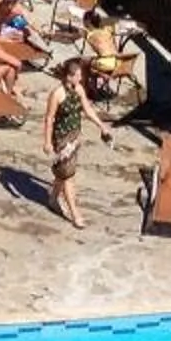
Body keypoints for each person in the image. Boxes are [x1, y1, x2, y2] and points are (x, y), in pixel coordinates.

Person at [38, 59, 116, 230]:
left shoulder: (78, 89)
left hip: (75, 136)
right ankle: (75, 213)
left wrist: (101, 126)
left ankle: (53, 199)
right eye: (78, 75)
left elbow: (87, 110)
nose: (81, 78)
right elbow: (49, 118)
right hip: (61, 138)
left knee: (63, 172)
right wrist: (47, 141)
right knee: (68, 175)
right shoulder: (57, 94)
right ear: (69, 76)